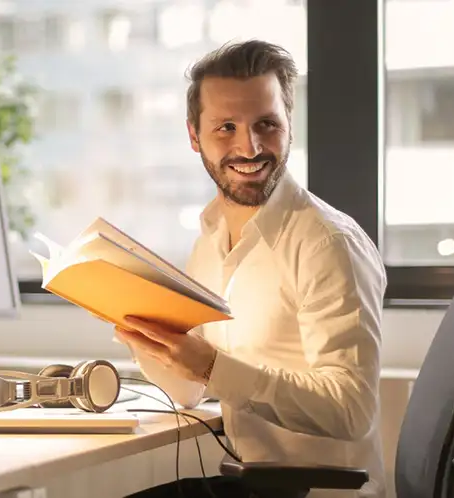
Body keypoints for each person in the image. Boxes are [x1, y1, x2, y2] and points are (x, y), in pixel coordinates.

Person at [117, 40, 387, 498]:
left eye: (266, 124)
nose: (250, 146)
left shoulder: (328, 243)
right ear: (193, 136)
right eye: (225, 127)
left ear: (288, 126)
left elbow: (351, 409)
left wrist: (213, 366)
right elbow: (189, 393)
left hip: (319, 492)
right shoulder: (209, 240)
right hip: (252, 483)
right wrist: (141, 332)